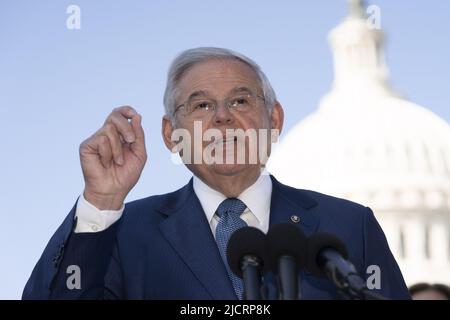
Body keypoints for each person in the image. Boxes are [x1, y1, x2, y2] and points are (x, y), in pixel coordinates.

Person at [22, 47, 410, 299]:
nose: (223, 117)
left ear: (273, 119)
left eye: (240, 100)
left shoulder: (347, 227)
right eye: (202, 105)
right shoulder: (125, 232)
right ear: (171, 135)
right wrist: (101, 203)